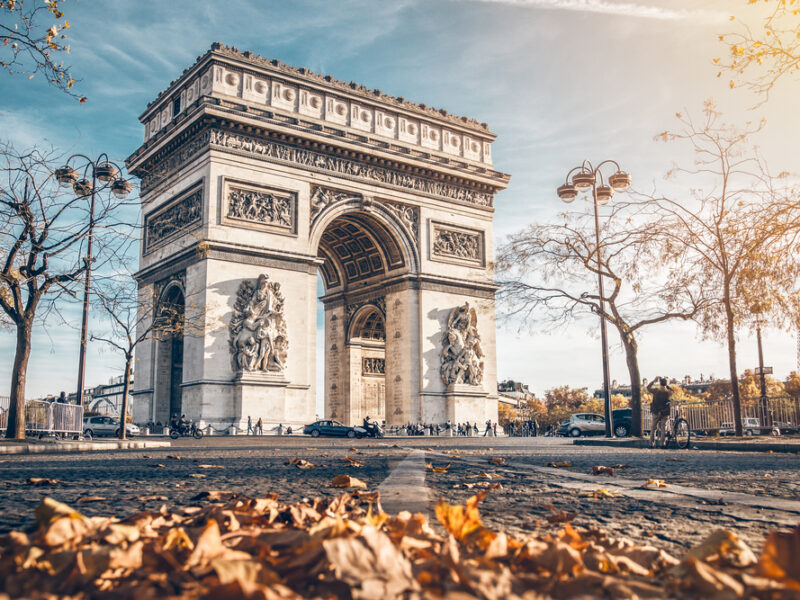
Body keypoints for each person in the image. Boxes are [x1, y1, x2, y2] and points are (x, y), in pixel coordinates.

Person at [648, 376, 674, 448]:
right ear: (665, 384)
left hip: (656, 411)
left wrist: (654, 380)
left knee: (653, 428)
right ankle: (662, 444)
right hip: (664, 412)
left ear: (660, 383)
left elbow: (648, 387)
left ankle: (651, 443)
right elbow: (672, 391)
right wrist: (667, 385)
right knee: (663, 428)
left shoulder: (656, 391)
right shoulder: (668, 392)